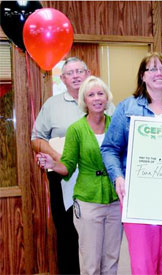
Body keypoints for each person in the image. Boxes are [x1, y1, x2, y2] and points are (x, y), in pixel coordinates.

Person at [100, 52, 162, 274]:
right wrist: (118, 177)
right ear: (143, 76)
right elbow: (109, 149)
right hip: (139, 194)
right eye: (153, 69)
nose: (159, 73)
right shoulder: (127, 108)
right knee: (143, 262)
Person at [36, 76, 122, 275]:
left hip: (115, 202)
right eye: (91, 94)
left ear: (107, 98)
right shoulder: (76, 129)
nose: (97, 98)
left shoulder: (117, 125)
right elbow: (68, 165)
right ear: (84, 100)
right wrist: (53, 164)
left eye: (100, 93)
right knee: (91, 263)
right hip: (88, 202)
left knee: (111, 261)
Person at [31, 57, 91, 274]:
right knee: (67, 233)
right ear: (63, 79)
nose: (75, 76)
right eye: (70, 73)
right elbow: (36, 139)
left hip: (94, 178)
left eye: (79, 71)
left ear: (88, 73)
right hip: (62, 176)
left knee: (94, 233)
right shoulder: (52, 105)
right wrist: (59, 157)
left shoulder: (99, 99)